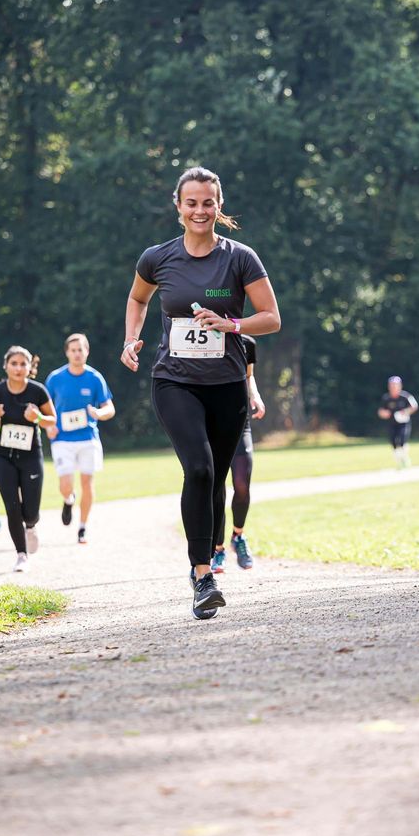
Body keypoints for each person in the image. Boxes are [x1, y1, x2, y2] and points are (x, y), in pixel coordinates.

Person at [120, 165, 280, 620]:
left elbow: (271, 317)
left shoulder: (240, 258)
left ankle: (204, 562)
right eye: (191, 202)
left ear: (219, 205)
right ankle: (203, 575)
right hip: (175, 381)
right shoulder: (157, 257)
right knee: (199, 468)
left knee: (215, 480)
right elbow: (138, 298)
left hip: (227, 385)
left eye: (208, 203)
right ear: (178, 206)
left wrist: (232, 324)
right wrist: (131, 338)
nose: (200, 210)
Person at [0, 346, 56, 573]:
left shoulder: (38, 391)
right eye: (14, 363)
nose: (18, 368)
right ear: (6, 366)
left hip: (31, 455)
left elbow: (52, 420)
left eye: (23, 364)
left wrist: (37, 417)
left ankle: (31, 525)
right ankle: (21, 555)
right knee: (12, 507)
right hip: (3, 456)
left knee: (30, 509)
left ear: (30, 367)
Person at [45, 333, 115, 545]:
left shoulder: (95, 378)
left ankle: (82, 527)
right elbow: (44, 407)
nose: (77, 354)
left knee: (87, 482)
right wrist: (48, 426)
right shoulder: (55, 378)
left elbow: (109, 408)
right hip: (62, 439)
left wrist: (99, 413)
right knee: (65, 485)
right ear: (67, 352)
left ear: (87, 351)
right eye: (73, 350)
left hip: (87, 438)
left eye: (80, 350)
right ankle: (68, 499)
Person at [211, 334, 266, 573]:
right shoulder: (204, 339)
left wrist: (256, 395)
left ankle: (238, 536)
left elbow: (248, 376)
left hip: (240, 420)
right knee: (217, 488)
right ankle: (217, 549)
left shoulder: (247, 343)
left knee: (242, 483)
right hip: (211, 422)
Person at [378, 375, 419, 467]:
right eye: (392, 385)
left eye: (395, 385)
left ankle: (405, 459)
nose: (393, 387)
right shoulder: (386, 398)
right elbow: (380, 411)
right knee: (394, 443)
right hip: (391, 424)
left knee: (402, 442)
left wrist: (405, 412)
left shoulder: (405, 396)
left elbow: (414, 406)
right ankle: (399, 461)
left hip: (403, 423)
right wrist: (383, 413)